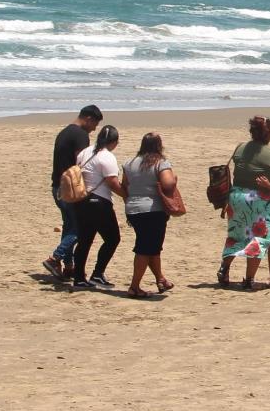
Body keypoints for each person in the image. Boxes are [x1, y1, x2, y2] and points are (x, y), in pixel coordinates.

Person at [218, 116, 270, 290]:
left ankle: (224, 268)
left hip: (235, 198)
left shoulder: (240, 147)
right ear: (269, 133)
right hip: (257, 201)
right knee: (259, 238)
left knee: (236, 236)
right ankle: (249, 280)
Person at [44, 105, 103, 279]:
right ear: (88, 119)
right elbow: (82, 162)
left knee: (69, 226)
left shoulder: (64, 132)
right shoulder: (80, 135)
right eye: (94, 124)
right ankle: (56, 257)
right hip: (70, 187)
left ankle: (68, 266)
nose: (94, 129)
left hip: (58, 186)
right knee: (80, 228)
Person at [121, 132, 182, 298]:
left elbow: (124, 186)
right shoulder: (160, 163)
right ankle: (134, 287)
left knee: (152, 247)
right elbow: (168, 184)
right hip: (152, 210)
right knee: (145, 249)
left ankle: (160, 279)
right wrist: (174, 180)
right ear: (158, 145)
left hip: (133, 209)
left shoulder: (129, 163)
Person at [72, 124, 126, 290]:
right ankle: (97, 273)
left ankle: (79, 277)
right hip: (99, 202)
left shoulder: (85, 152)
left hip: (82, 200)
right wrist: (126, 195)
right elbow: (112, 183)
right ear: (114, 142)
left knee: (84, 240)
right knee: (112, 239)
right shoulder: (107, 157)